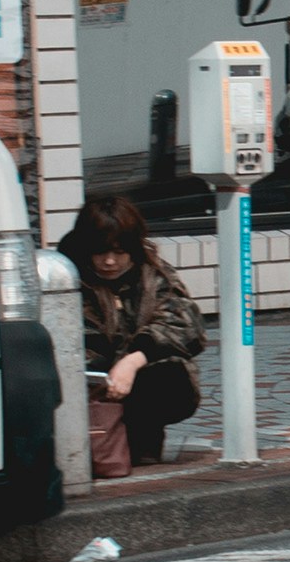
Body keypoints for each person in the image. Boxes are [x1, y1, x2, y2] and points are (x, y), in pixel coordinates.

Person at [54, 192, 205, 479]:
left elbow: (187, 324)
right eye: (100, 252)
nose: (110, 261)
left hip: (137, 381)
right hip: (86, 381)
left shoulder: (151, 272)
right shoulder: (64, 276)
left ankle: (141, 444)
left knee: (172, 376)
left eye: (119, 252)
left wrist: (134, 359)